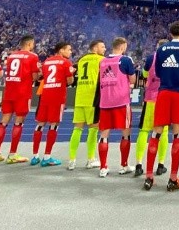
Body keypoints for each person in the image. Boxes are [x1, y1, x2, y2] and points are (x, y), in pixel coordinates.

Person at [143, 21, 179, 191]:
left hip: (163, 93)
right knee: (178, 136)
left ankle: (149, 176)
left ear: (170, 32)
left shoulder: (161, 49)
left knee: (155, 134)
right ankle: (173, 179)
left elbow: (157, 72)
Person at [0, 35, 40, 164]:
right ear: (29, 44)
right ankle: (12, 154)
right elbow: (35, 77)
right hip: (22, 93)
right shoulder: (33, 56)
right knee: (18, 123)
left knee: (3, 122)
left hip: (9, 92)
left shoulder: (11, 55)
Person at [96, 37, 137, 178]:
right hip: (121, 101)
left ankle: (103, 167)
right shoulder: (125, 60)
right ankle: (124, 165)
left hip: (105, 102)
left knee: (104, 135)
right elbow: (132, 80)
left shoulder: (102, 61)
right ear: (123, 46)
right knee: (125, 133)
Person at [31, 42, 74, 167]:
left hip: (45, 95)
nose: (70, 52)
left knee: (40, 124)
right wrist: (71, 74)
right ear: (61, 50)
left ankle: (35, 156)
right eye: (69, 49)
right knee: (53, 125)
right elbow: (70, 81)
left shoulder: (47, 61)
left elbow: (42, 76)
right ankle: (47, 157)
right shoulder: (66, 62)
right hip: (58, 96)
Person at [68, 39, 106, 171]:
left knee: (77, 129)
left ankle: (72, 160)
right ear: (95, 48)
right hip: (92, 97)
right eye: (102, 47)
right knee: (93, 129)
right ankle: (90, 159)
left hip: (79, 97)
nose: (104, 49)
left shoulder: (82, 60)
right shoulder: (101, 60)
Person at [134, 39, 169, 178]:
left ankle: (139, 164)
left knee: (144, 131)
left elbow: (144, 74)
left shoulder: (151, 58)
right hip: (164, 97)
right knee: (164, 132)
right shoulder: (172, 59)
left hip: (150, 98)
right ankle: (160, 165)